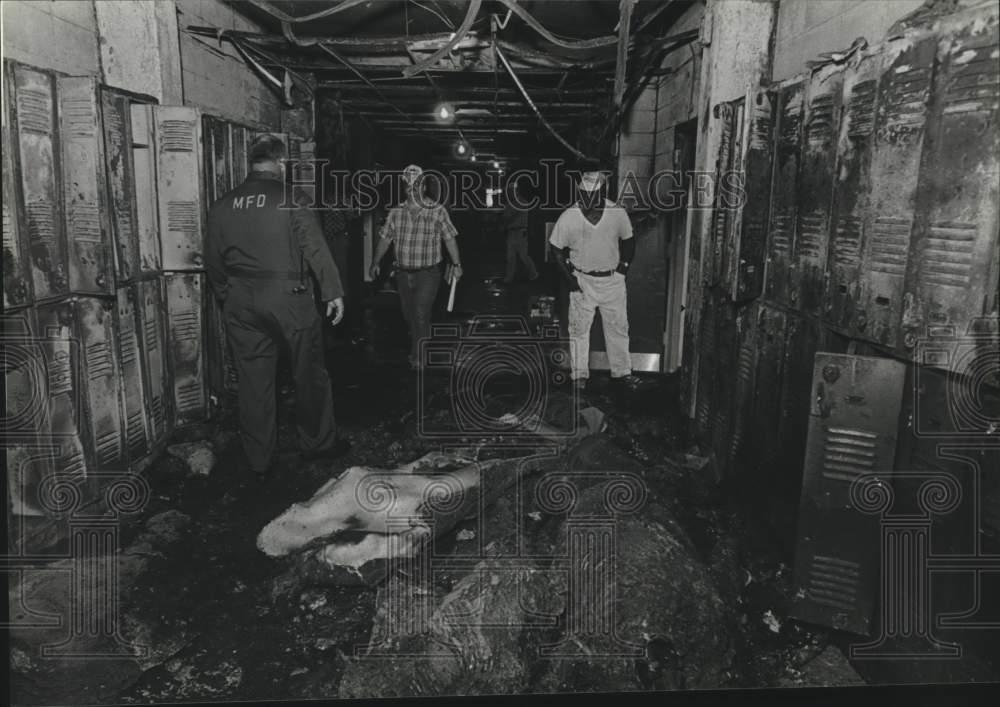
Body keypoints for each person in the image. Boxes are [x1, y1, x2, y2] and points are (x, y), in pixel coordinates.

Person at [205, 134, 349, 481]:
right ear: (281, 163)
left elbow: (212, 260)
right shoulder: (292, 199)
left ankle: (259, 459)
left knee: (253, 382)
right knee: (308, 373)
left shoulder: (223, 204)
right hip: (288, 297)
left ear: (251, 163)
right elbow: (315, 248)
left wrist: (229, 292)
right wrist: (333, 292)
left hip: (241, 299)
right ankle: (317, 443)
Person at [548, 160, 640, 389]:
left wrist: (623, 269)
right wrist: (571, 282)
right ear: (579, 192)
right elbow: (556, 250)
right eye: (584, 195)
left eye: (594, 196)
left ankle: (622, 372)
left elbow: (629, 240)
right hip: (582, 280)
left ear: (603, 192)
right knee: (578, 330)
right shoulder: (569, 217)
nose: (589, 201)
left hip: (613, 281)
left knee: (618, 328)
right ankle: (579, 375)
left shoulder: (617, 213)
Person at [368, 164, 463, 370]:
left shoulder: (437, 211)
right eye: (409, 186)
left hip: (428, 273)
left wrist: (457, 264)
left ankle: (417, 356)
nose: (413, 190)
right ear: (405, 188)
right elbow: (385, 240)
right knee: (409, 314)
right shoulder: (396, 213)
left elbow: (449, 239)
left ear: (424, 186)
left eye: (417, 185)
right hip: (402, 273)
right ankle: (422, 333)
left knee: (420, 311)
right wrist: (375, 262)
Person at [501, 179, 538, 283]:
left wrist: (504, 222)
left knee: (523, 256)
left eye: (510, 190)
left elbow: (509, 217)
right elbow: (505, 217)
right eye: (508, 191)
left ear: (515, 191)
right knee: (510, 257)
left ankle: (534, 274)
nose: (509, 192)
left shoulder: (522, 202)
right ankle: (509, 278)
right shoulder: (510, 203)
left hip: (520, 232)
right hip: (511, 232)